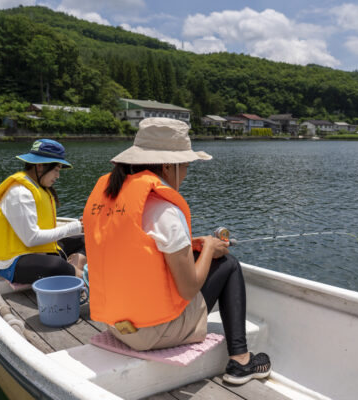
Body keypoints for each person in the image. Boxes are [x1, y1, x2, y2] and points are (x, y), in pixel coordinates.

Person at [82, 118, 271, 385]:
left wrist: (195, 246)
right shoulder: (165, 209)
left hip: (117, 324)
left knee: (203, 258)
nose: (186, 173)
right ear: (169, 166)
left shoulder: (111, 197)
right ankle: (241, 360)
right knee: (228, 265)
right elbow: (188, 288)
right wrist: (210, 251)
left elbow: (137, 249)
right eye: (186, 166)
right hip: (151, 334)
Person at [0, 139, 85, 284]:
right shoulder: (19, 193)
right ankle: (80, 277)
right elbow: (31, 239)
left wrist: (79, 228)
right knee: (56, 266)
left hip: (35, 251)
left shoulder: (37, 186)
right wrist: (73, 227)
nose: (58, 175)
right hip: (11, 263)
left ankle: (75, 268)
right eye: (56, 169)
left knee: (85, 239)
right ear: (40, 166)